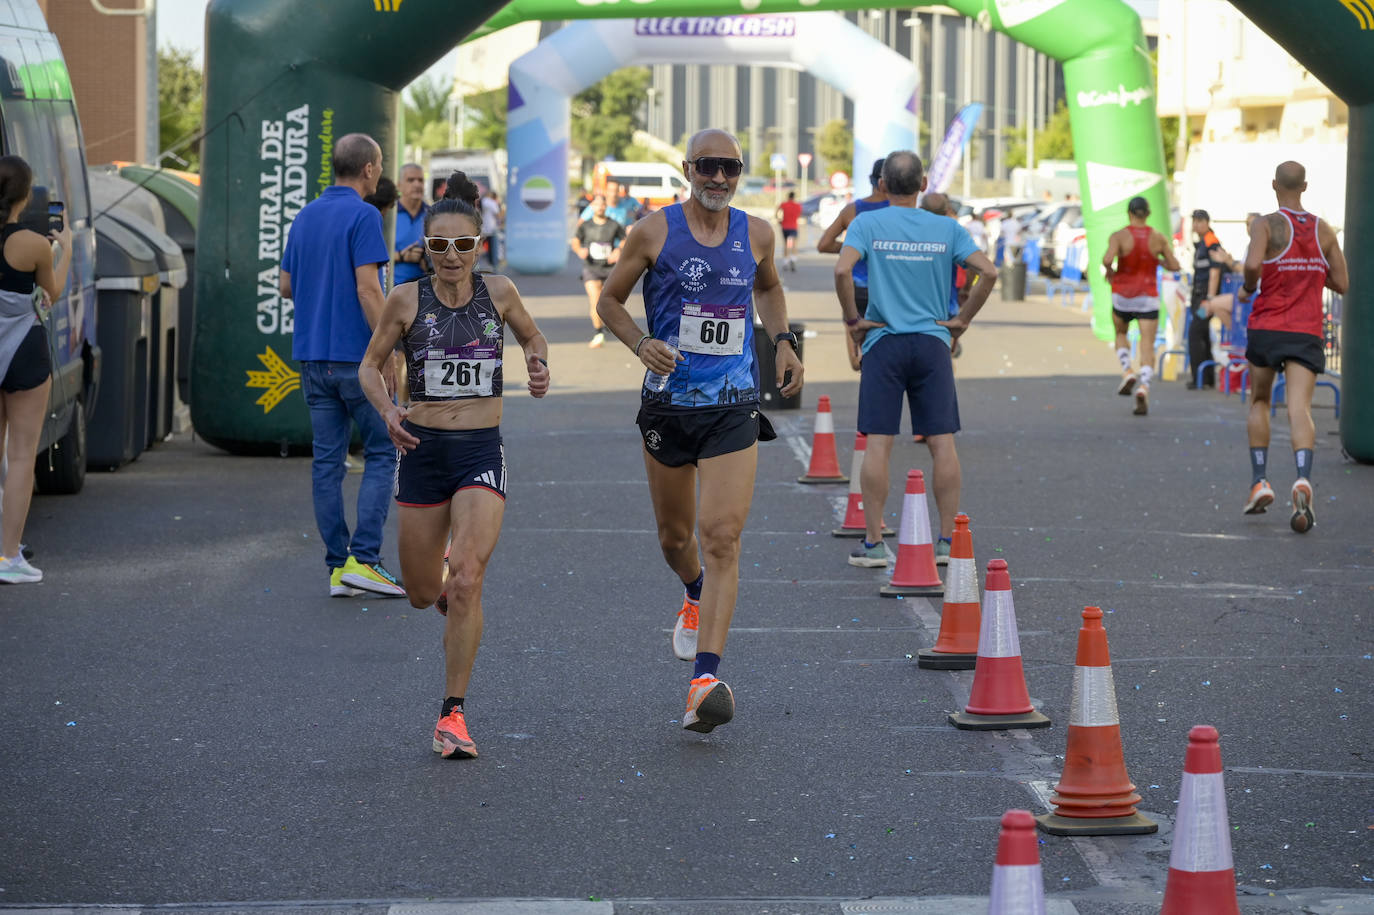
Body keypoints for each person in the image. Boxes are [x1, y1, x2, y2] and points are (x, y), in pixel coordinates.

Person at [595, 128, 804, 734]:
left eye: (730, 168)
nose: (718, 177)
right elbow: (609, 301)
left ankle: (704, 681)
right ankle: (692, 590)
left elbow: (767, 285)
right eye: (707, 166)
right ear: (687, 168)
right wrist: (640, 343)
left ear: (740, 173)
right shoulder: (654, 231)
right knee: (674, 537)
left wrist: (783, 341)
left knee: (723, 538)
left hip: (733, 405)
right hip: (667, 406)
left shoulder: (757, 233)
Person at [359, 192, 550, 759]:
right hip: (421, 450)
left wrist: (537, 362)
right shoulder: (404, 299)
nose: (450, 255)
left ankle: (452, 716)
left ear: (478, 246)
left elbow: (532, 337)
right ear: (426, 248)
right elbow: (369, 367)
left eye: (461, 244)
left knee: (467, 577)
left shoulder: (501, 292)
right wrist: (389, 411)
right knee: (423, 594)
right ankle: (439, 587)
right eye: (438, 245)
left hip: (479, 453)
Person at [833, 151, 997, 569]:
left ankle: (873, 543)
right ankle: (945, 542)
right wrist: (961, 320)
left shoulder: (867, 223)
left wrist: (854, 320)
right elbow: (989, 273)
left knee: (878, 443)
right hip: (931, 343)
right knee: (942, 443)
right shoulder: (947, 227)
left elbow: (841, 271)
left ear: (882, 185)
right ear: (924, 184)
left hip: (883, 342)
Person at [279, 133, 405, 599]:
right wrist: (387, 350)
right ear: (370, 169)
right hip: (359, 359)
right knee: (382, 452)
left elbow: (286, 286)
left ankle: (338, 568)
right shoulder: (365, 215)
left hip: (313, 358)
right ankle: (366, 559)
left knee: (327, 462)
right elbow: (369, 290)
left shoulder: (305, 216)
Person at [1237, 161, 1347, 532]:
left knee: (1261, 401)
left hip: (1268, 326)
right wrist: (1311, 271)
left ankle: (1260, 481)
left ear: (1274, 186)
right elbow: (1342, 283)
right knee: (1299, 407)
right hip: (1306, 331)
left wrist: (1249, 286)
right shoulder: (1323, 229)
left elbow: (1253, 264)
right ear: (1305, 186)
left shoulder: (1265, 224)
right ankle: (1302, 477)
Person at [0, 155, 71, 584]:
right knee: (22, 454)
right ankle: (8, 557)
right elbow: (53, 291)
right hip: (24, 353)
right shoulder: (32, 244)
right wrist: (67, 248)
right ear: (25, 197)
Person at [1101, 196, 1179, 416]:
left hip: (1123, 295)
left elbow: (1107, 259)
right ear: (1148, 213)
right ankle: (1144, 386)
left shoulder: (1119, 236)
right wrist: (1160, 261)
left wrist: (1110, 271)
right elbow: (1175, 265)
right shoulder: (1158, 238)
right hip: (1147, 297)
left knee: (1120, 333)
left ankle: (1127, 370)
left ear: (1129, 213)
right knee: (1147, 344)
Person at [818, 159, 890, 371]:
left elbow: (824, 244)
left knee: (855, 341)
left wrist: (854, 250)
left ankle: (857, 360)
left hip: (856, 287)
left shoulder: (853, 210)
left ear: (872, 181)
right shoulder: (899, 210)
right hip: (887, 289)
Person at [570, 193, 626, 348]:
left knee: (608, 300)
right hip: (591, 267)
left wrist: (618, 251)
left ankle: (607, 322)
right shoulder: (585, 225)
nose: (600, 207)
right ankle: (598, 333)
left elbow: (624, 239)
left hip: (609, 268)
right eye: (597, 204)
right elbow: (575, 241)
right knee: (595, 300)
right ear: (592, 207)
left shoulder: (613, 224)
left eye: (602, 204)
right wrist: (580, 250)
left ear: (605, 207)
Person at [1186, 209, 1231, 389]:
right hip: (1200, 296)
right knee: (1202, 334)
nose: (1196, 225)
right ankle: (1207, 379)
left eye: (1199, 221)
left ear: (1206, 222)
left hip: (1206, 297)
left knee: (1195, 333)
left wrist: (1210, 299)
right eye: (1194, 221)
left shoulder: (1211, 242)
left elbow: (1214, 272)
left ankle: (1199, 378)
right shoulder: (1202, 243)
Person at [392, 164, 429, 287]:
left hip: (426, 288)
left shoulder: (433, 215)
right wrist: (401, 256)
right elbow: (371, 256)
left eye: (420, 180)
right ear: (399, 185)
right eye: (410, 180)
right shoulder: (388, 214)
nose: (417, 184)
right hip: (393, 289)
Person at [775, 191, 802, 272]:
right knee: (794, 245)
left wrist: (779, 219)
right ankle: (793, 259)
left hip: (785, 227)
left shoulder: (784, 204)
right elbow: (799, 215)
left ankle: (785, 262)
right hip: (793, 227)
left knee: (786, 244)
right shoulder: (798, 206)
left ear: (788, 196)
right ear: (794, 197)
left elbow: (776, 211)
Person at [480, 189, 503, 269]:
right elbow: (498, 214)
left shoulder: (483, 201)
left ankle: (490, 262)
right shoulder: (490, 202)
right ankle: (494, 264)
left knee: (487, 246)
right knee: (494, 247)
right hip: (492, 228)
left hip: (485, 227)